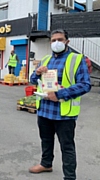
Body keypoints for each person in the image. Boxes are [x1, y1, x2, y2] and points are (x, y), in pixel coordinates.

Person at [29, 29, 91, 180]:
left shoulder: (77, 59)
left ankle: (69, 177)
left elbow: (85, 84)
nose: (56, 43)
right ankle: (46, 164)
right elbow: (32, 80)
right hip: (44, 110)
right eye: (53, 40)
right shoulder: (45, 60)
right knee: (46, 140)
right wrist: (37, 73)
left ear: (67, 42)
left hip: (64, 112)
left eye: (60, 39)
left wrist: (59, 94)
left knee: (67, 146)